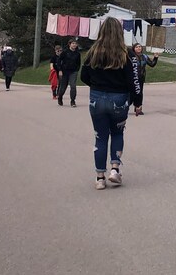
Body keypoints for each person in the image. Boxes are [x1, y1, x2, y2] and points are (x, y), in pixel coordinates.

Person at [80, 18, 141, 191]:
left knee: (100, 137)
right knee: (117, 134)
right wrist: (138, 102)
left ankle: (100, 177)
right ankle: (114, 169)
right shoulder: (126, 54)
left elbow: (83, 76)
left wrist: (96, 84)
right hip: (119, 99)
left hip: (97, 98)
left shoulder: (93, 51)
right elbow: (133, 81)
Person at [129, 43, 158, 116]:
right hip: (133, 78)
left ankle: (138, 108)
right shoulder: (131, 57)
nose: (138, 48)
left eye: (139, 47)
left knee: (140, 93)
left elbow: (152, 64)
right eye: (136, 47)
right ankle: (125, 107)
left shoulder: (144, 56)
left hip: (141, 78)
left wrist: (155, 58)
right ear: (133, 48)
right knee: (131, 93)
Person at [57, 39, 81, 107]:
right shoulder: (65, 52)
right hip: (65, 72)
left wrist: (77, 70)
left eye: (75, 43)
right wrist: (60, 70)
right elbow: (59, 61)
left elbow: (78, 63)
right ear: (69, 44)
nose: (74, 45)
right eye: (73, 43)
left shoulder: (77, 53)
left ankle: (73, 101)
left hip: (73, 72)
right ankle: (60, 97)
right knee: (63, 88)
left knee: (73, 86)